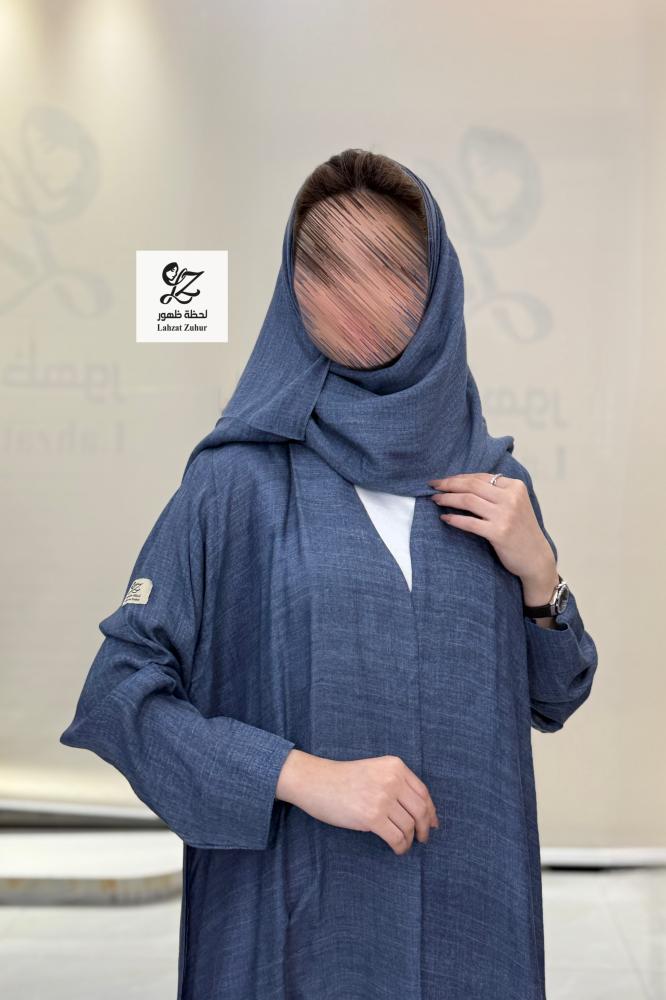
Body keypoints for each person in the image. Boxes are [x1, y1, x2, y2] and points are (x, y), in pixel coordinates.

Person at [59, 148, 599, 1000]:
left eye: (390, 266)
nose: (357, 295)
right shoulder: (237, 482)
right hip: (301, 935)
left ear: (438, 290)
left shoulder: (495, 486)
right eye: (326, 268)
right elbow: (118, 697)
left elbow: (555, 697)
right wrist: (302, 776)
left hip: (473, 926)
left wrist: (540, 574)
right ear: (292, 288)